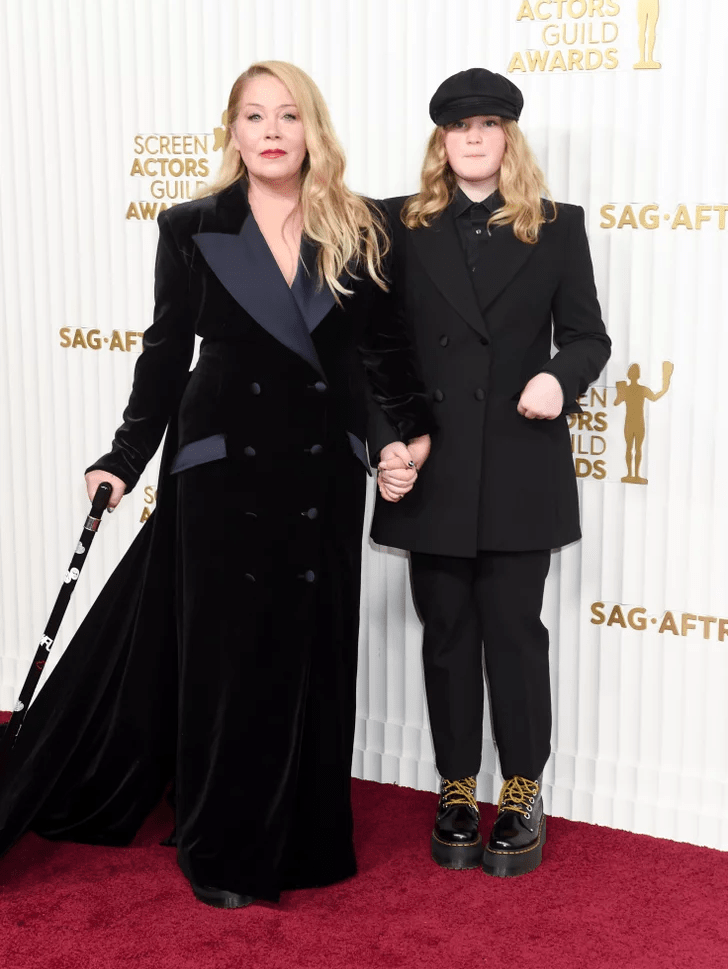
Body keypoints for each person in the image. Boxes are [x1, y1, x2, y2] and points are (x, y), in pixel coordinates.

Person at [0, 61, 432, 907]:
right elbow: (165, 354)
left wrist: (406, 438)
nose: (272, 130)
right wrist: (125, 457)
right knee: (227, 660)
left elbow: (385, 353)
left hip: (320, 467)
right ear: (231, 131)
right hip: (221, 467)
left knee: (311, 649)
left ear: (313, 128)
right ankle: (224, 846)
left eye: (288, 115)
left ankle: (306, 842)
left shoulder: (364, 223)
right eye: (253, 116)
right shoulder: (191, 225)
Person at [373, 68, 610, 877]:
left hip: (517, 461)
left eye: (487, 124)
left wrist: (559, 375)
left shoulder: (556, 227)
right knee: (447, 637)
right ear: (440, 142)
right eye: (457, 127)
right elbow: (380, 354)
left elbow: (588, 337)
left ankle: (520, 789)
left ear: (510, 135)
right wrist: (388, 442)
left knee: (513, 633)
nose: (472, 138)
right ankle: (452, 785)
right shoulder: (399, 227)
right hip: (434, 462)